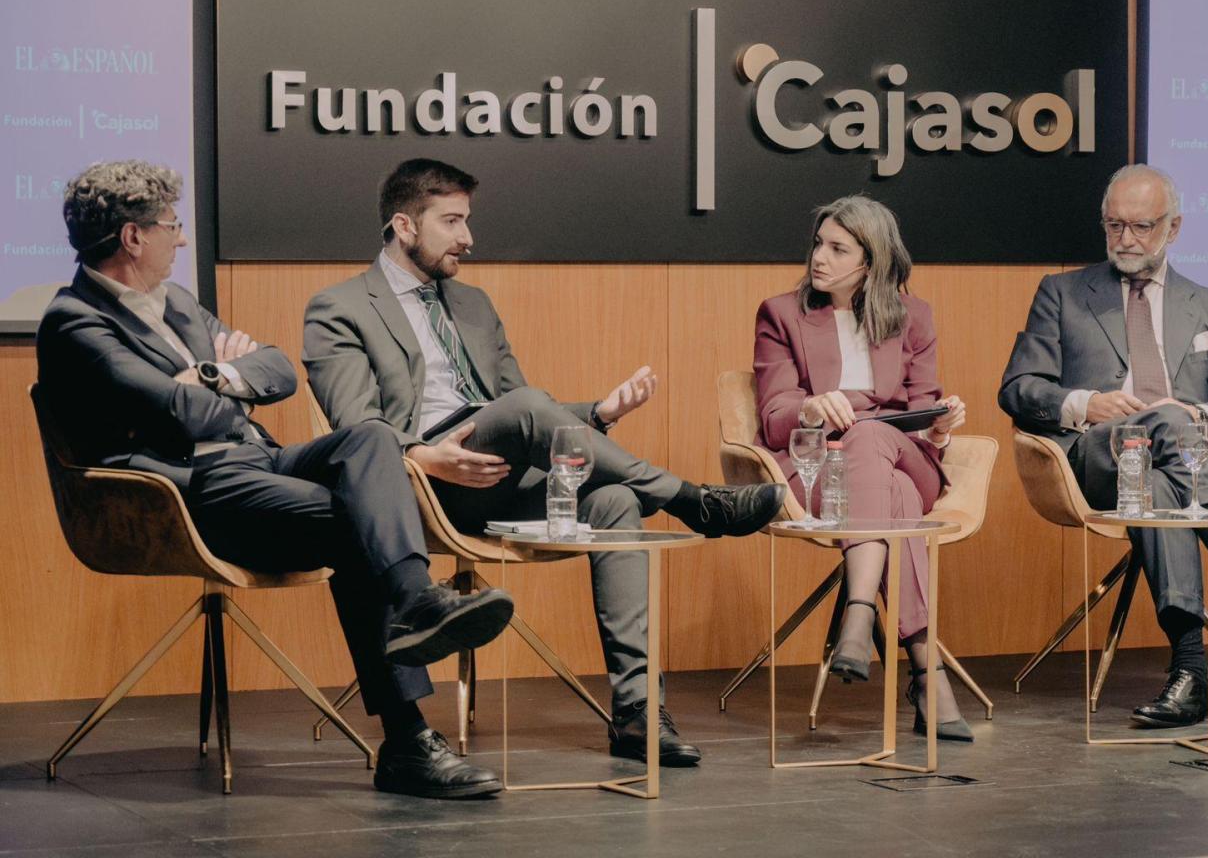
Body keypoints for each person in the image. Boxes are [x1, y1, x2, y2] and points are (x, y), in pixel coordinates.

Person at [37, 160, 513, 799]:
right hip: (188, 488)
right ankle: (406, 738)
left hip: (256, 459)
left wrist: (209, 376)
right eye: (172, 226)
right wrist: (225, 381)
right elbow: (180, 412)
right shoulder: (75, 323)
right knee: (358, 523)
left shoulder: (176, 302)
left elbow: (279, 371)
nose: (180, 239)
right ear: (132, 238)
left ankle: (414, 602)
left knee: (370, 439)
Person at [303, 158, 784, 767]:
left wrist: (598, 414)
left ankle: (636, 714)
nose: (467, 238)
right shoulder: (340, 307)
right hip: (419, 485)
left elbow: (525, 414)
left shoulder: (473, 304)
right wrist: (423, 455)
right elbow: (356, 427)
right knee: (531, 411)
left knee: (615, 501)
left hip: (498, 473)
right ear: (403, 225)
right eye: (451, 222)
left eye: (467, 220)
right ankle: (693, 501)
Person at [998, 164, 1208, 729]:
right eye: (1114, 227)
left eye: (1141, 227)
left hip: (1173, 468)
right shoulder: (1062, 294)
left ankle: (1189, 672)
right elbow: (1017, 388)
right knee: (1153, 430)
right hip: (1097, 459)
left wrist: (1197, 416)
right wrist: (1086, 403)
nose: (1125, 240)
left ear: (1174, 228)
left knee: (1160, 475)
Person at [752, 194, 973, 741]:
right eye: (818, 244)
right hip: (821, 470)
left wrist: (939, 428)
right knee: (893, 497)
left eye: (837, 248)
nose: (818, 259)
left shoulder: (914, 317)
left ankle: (859, 609)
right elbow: (774, 414)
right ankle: (927, 671)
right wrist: (810, 406)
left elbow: (923, 408)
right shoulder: (782, 314)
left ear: (869, 261)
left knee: (875, 435)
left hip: (904, 454)